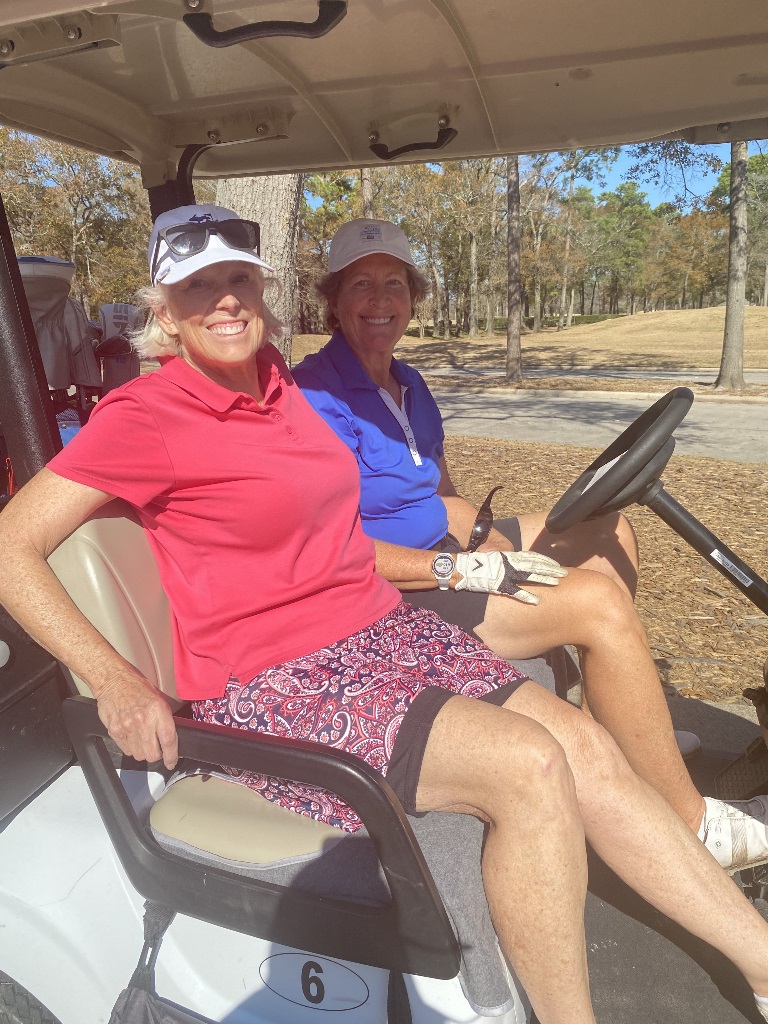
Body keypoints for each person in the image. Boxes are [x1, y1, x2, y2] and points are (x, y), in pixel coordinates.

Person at [3, 204, 768, 1024]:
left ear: (262, 292)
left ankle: (760, 959)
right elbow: (13, 546)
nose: (224, 301)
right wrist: (117, 681)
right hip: (281, 679)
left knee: (584, 744)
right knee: (533, 765)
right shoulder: (146, 417)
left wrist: (461, 561)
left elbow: (340, 542)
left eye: (238, 280)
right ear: (163, 310)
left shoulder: (279, 391)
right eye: (198, 288)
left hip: (383, 632)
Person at [293, 216, 768, 874]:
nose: (381, 301)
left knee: (609, 530)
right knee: (596, 603)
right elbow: (327, 544)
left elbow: (441, 492)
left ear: (413, 295)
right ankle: (694, 826)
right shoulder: (314, 396)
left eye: (395, 283)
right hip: (394, 594)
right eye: (362, 285)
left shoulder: (408, 382)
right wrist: (470, 567)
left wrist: (498, 541)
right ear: (335, 301)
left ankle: (612, 735)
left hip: (447, 551)